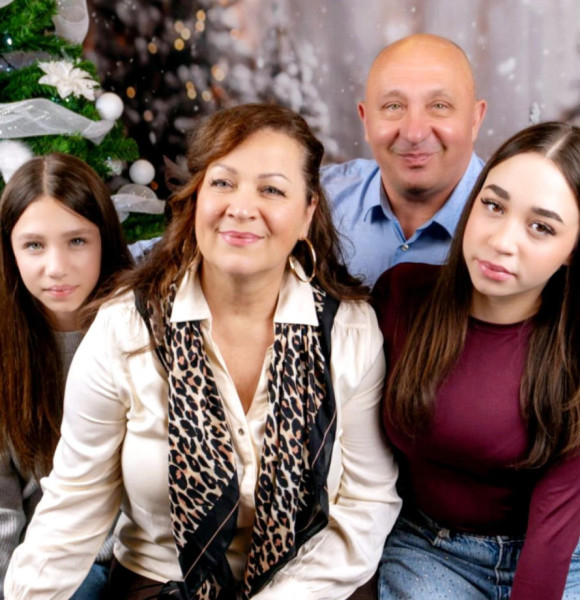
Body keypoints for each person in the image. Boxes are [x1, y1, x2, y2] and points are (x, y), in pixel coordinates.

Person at [5, 104, 401, 600]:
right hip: (161, 582)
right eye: (223, 183)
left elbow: (366, 505)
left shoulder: (349, 331)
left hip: (313, 586)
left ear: (307, 214)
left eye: (271, 190)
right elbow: (72, 507)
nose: (241, 207)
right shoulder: (125, 326)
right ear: (196, 200)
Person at [373, 121, 580, 600]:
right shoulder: (401, 297)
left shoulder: (572, 347)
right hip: (431, 549)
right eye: (494, 205)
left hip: (561, 553)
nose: (501, 241)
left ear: (572, 250)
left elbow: (556, 525)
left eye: (542, 227)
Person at [0, 153, 133, 599]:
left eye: (77, 241)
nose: (56, 267)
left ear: (104, 240)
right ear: (10, 251)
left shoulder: (141, 331)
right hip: (45, 568)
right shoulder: (7, 349)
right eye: (34, 245)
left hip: (135, 562)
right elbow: (3, 510)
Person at [322, 33, 487, 286]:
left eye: (439, 106)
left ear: (475, 120)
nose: (414, 134)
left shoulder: (517, 225)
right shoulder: (316, 200)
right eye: (394, 106)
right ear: (366, 120)